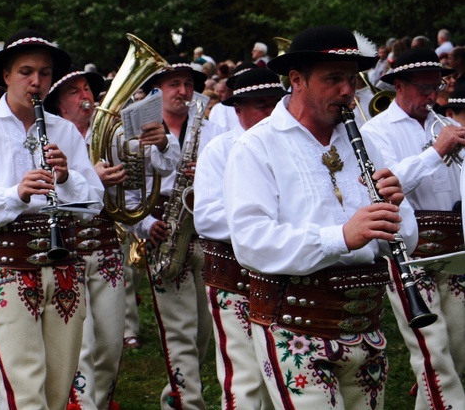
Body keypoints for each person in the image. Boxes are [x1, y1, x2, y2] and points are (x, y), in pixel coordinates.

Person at [224, 25, 418, 409]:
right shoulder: (257, 146)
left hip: (365, 324)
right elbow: (251, 241)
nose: (347, 91)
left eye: (351, 79)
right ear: (296, 80)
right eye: (333, 79)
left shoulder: (366, 141)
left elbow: (405, 237)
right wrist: (341, 237)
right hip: (295, 324)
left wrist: (395, 211)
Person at [0, 30, 104, 409]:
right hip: (8, 264)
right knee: (25, 389)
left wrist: (66, 178)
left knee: (57, 388)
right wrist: (16, 194)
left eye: (45, 74)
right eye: (26, 72)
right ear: (5, 76)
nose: (37, 82)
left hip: (64, 264)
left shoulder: (64, 130)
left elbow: (95, 204)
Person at [44, 66, 178, 409]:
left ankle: (100, 403)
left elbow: (158, 173)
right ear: (59, 104)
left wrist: (162, 141)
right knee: (82, 345)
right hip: (66, 249)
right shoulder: (46, 137)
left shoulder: (115, 136)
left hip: (106, 246)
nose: (85, 95)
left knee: (108, 344)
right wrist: (91, 180)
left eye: (87, 88)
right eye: (74, 91)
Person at [361, 47, 465, 410]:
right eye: (424, 88)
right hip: (409, 251)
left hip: (454, 245)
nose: (433, 97)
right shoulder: (375, 131)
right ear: (399, 85)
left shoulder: (444, 124)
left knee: (455, 351)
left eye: (437, 87)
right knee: (433, 352)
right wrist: (436, 152)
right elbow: (385, 184)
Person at [194, 68, 285, 409]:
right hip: (235, 275)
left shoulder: (292, 145)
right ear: (238, 110)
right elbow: (207, 218)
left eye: (276, 104)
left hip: (284, 274)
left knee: (283, 373)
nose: (271, 114)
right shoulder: (220, 149)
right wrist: (265, 230)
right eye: (262, 105)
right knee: (243, 378)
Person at [136, 55, 223, 409]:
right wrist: (143, 224)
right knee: (179, 331)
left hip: (204, 229)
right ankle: (188, 403)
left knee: (203, 330)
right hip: (163, 230)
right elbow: (127, 191)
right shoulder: (138, 129)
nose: (183, 91)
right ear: (156, 91)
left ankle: (176, 394)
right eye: (174, 84)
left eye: (188, 84)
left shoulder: (212, 129)